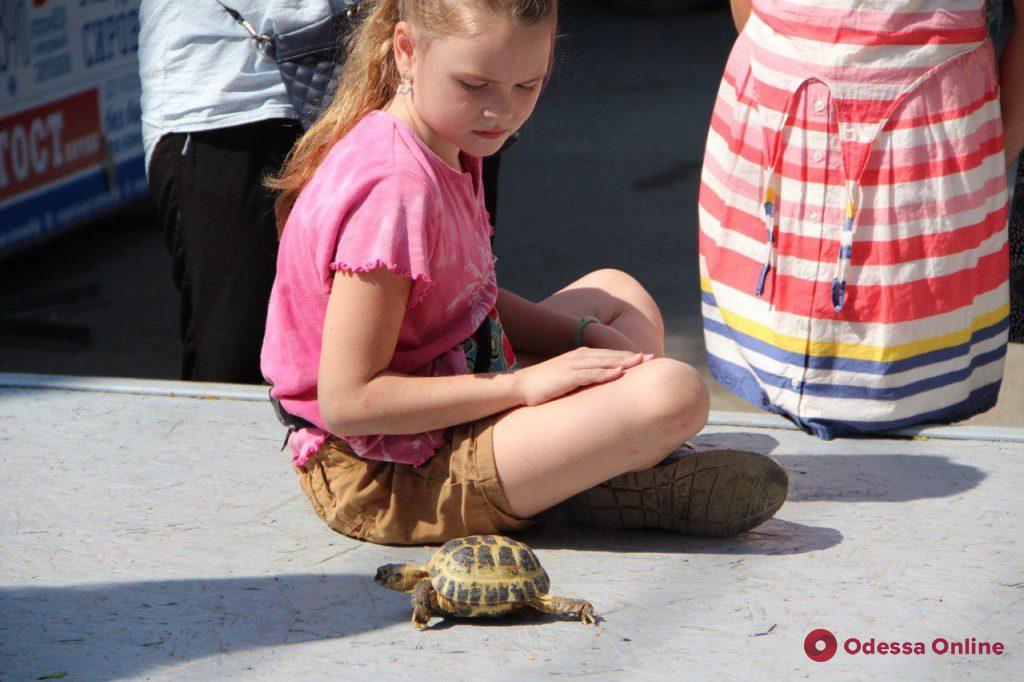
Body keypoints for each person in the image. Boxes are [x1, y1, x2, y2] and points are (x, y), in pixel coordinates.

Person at [260, 0, 788, 546]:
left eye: (526, 86)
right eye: (474, 85)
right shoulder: (395, 191)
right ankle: (604, 481)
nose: (501, 112)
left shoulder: (449, 139)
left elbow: (467, 295)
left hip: (447, 387)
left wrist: (579, 337)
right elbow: (348, 403)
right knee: (674, 393)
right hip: (385, 472)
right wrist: (525, 386)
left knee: (617, 294)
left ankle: (587, 470)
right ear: (406, 51)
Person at [700, 0, 1014, 438]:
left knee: (906, 404)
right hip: (779, 131)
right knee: (772, 370)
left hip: (923, 161)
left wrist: (987, 159)